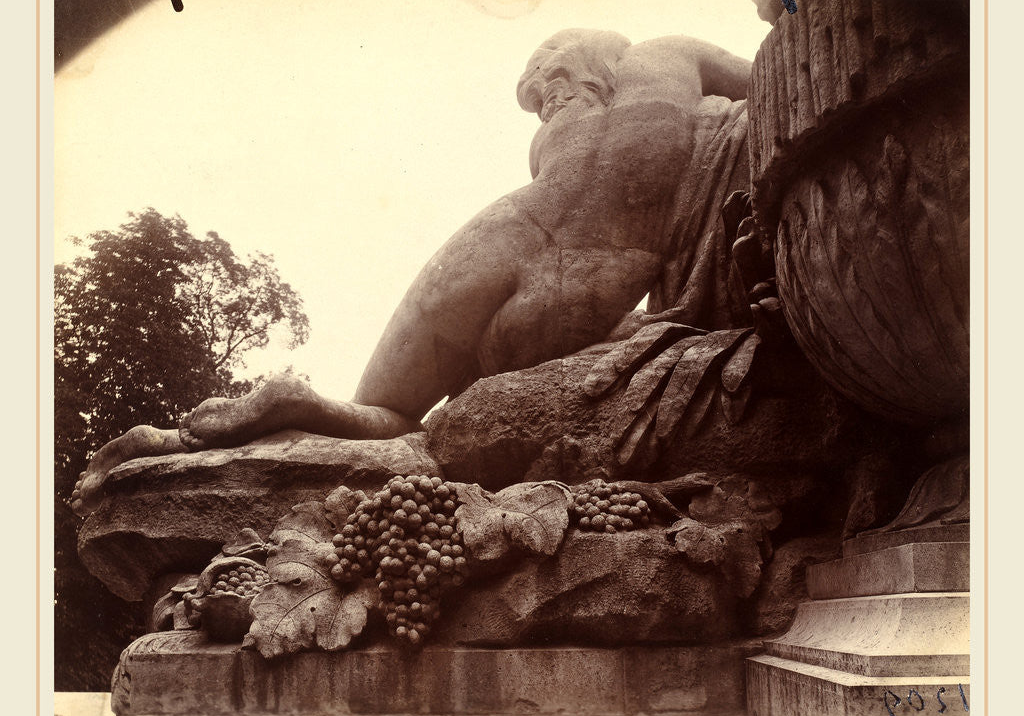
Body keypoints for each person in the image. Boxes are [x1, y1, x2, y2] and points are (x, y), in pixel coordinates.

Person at [71, 28, 753, 517]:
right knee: (413, 432)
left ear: (566, 80)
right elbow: (771, 77)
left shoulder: (554, 138)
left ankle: (280, 407)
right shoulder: (672, 58)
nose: (547, 105)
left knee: (389, 412)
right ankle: (290, 409)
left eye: (546, 91)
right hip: (575, 293)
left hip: (492, 243)